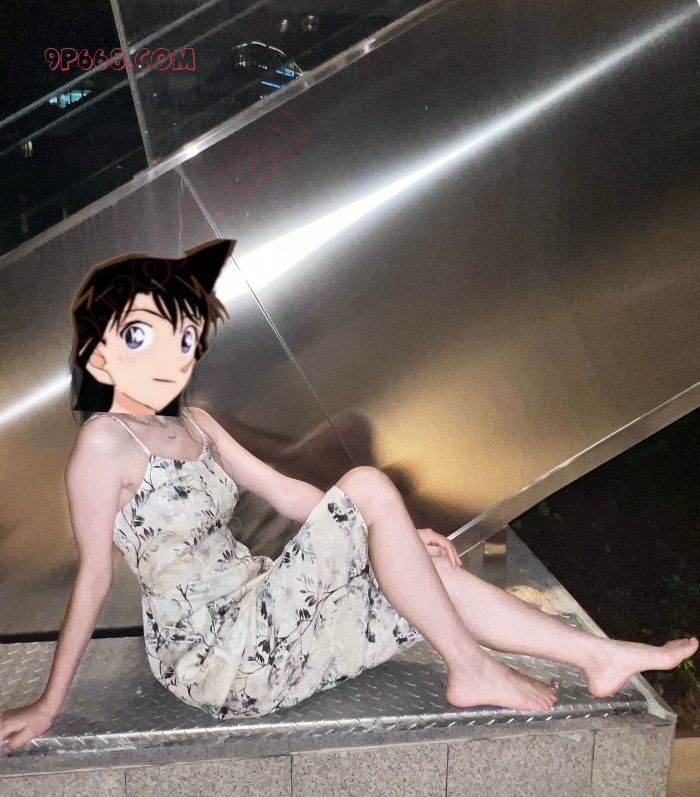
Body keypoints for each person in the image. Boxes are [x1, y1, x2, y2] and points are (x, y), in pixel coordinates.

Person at [1, 239, 696, 755]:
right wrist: (48, 706)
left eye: (184, 337)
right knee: (366, 486)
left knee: (424, 572)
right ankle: (473, 668)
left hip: (265, 612)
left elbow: (284, 492)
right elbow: (94, 578)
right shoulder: (103, 444)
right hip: (216, 656)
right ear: (98, 354)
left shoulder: (197, 423)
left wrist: (395, 536)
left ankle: (596, 656)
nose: (174, 357)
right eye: (141, 335)